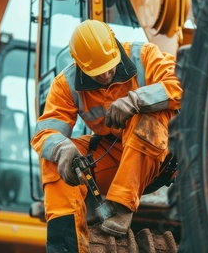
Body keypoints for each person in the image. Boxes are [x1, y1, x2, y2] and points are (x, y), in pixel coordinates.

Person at [30, 19, 182, 252]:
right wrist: (62, 149)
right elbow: (45, 131)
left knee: (144, 119)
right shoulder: (66, 84)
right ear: (79, 64)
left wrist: (136, 100)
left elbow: (182, 85)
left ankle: (122, 206)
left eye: (110, 65)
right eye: (98, 72)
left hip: (164, 154)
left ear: (115, 46)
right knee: (55, 160)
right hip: (120, 156)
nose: (107, 73)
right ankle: (66, 245)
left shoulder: (145, 56)